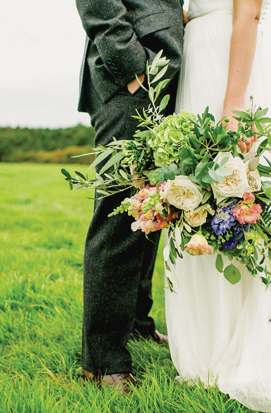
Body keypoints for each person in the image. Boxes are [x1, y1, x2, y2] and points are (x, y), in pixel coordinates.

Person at [164, 0, 271, 411]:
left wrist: (233, 107)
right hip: (196, 59)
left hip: (227, 68)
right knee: (196, 197)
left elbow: (248, 15)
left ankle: (245, 344)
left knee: (237, 190)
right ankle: (206, 341)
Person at [74, 0, 184, 393]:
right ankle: (102, 362)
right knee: (119, 216)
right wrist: (133, 65)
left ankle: (137, 324)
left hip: (164, 76)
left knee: (151, 209)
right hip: (132, 78)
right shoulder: (134, 70)